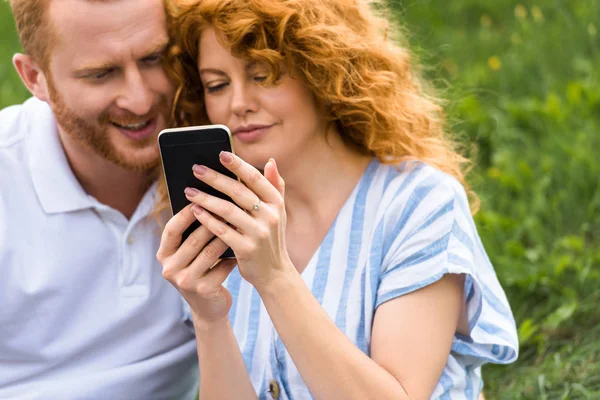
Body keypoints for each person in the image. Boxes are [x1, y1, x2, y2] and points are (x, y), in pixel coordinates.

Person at [157, 0, 519, 399]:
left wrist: (275, 277)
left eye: (262, 74)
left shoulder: (419, 203)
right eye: (217, 85)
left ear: (321, 70)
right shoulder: (226, 224)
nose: (237, 102)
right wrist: (210, 318)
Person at [0, 0, 198, 398]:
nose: (140, 101)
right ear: (34, 77)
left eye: (153, 58)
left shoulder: (219, 158)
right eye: (101, 74)